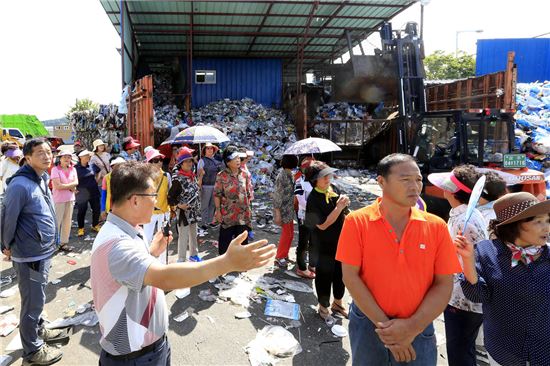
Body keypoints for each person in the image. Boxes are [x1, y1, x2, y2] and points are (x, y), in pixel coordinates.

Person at [90, 161, 275, 365]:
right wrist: (226, 262)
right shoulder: (117, 244)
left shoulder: (130, 228)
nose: (156, 202)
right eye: (152, 196)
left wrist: (151, 252)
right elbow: (165, 278)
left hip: (150, 348)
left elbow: (130, 273)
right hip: (134, 358)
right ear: (134, 200)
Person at [336, 153, 462, 365]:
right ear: (381, 181)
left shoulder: (436, 226)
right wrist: (389, 331)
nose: (415, 186)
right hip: (369, 324)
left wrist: (411, 328)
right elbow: (350, 277)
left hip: (418, 328)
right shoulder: (357, 221)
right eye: (405, 180)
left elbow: (443, 284)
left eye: (418, 179)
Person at [456, 192, 550, 366]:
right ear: (514, 225)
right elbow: (478, 296)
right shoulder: (486, 252)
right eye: (538, 221)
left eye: (547, 220)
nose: (546, 228)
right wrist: (467, 260)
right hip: (504, 351)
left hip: (545, 350)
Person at [0, 138, 67, 365]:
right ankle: (33, 350)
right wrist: (6, 245)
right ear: (27, 158)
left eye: (49, 152)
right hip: (29, 255)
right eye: (40, 153)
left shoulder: (40, 178)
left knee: (37, 298)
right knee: (32, 303)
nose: (47, 156)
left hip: (41, 252)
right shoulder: (20, 185)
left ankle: (39, 331)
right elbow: (8, 219)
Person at [428, 165, 488, 366]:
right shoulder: (465, 215)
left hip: (463, 299)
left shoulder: (463, 222)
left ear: (451, 191)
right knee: (465, 348)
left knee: (459, 353)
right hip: (469, 295)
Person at [303, 161, 349, 320]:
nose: (328, 178)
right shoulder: (313, 199)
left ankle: (338, 302)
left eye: (328, 175)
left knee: (340, 274)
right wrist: (339, 207)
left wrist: (345, 205)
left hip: (340, 241)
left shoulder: (333, 189)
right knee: (324, 276)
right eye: (323, 177)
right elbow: (322, 225)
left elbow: (345, 213)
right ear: (315, 180)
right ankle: (323, 307)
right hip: (322, 245)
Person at [214, 146, 253, 255]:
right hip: (228, 214)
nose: (237, 160)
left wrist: (248, 210)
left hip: (242, 215)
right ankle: (223, 264)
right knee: (224, 242)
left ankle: (240, 264)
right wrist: (218, 211)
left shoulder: (245, 174)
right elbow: (217, 195)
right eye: (234, 158)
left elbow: (248, 194)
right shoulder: (221, 176)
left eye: (238, 157)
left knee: (242, 241)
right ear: (227, 162)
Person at [168, 147, 201, 262]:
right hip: (184, 213)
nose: (189, 163)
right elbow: (170, 197)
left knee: (193, 234)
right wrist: (178, 206)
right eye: (186, 161)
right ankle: (181, 259)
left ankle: (194, 255)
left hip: (193, 212)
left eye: (190, 161)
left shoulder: (192, 175)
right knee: (183, 236)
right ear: (181, 164)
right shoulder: (177, 179)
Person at [142, 149, 171, 253]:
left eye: (160, 159)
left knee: (163, 239)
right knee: (147, 238)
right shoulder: (144, 177)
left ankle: (162, 264)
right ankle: (146, 262)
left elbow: (170, 193)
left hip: (164, 211)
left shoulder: (166, 176)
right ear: (149, 163)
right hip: (149, 212)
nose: (159, 162)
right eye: (155, 160)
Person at [273, 154, 299, 269]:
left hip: (289, 209)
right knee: (287, 234)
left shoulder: (290, 175)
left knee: (290, 234)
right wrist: (277, 214)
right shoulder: (282, 176)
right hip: (283, 210)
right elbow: (278, 196)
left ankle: (284, 254)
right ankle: (279, 257)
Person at [50, 150, 78, 252]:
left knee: (67, 222)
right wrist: (71, 187)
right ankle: (53, 244)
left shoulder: (73, 169)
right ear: (60, 158)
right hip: (59, 199)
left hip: (70, 198)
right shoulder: (55, 169)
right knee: (57, 222)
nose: (67, 159)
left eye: (69, 157)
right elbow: (58, 186)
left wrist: (68, 186)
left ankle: (63, 243)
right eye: (64, 157)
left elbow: (76, 182)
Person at [294, 157, 316, 278]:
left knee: (314, 241)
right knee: (303, 242)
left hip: (315, 216)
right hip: (304, 216)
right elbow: (301, 201)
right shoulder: (299, 182)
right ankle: (302, 268)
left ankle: (312, 265)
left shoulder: (316, 180)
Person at [75, 150, 101, 237]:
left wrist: (97, 179)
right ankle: (81, 228)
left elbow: (99, 171)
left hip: (94, 191)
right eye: (85, 156)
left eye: (88, 155)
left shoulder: (92, 165)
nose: (87, 157)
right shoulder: (75, 168)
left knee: (96, 209)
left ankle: (95, 225)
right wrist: (74, 189)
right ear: (80, 157)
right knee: (82, 211)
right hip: (82, 193)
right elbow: (72, 178)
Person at [197, 143, 221, 229]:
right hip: (205, 185)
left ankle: (210, 221)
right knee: (205, 205)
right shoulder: (202, 161)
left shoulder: (215, 161)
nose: (210, 150)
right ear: (204, 150)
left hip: (215, 185)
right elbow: (198, 174)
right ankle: (204, 222)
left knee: (212, 205)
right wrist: (201, 173)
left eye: (211, 148)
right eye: (208, 148)